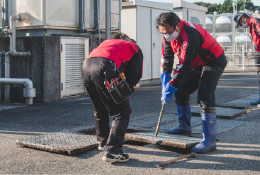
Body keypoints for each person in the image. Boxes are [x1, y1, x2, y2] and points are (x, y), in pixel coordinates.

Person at [157, 12, 227, 154]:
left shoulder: (190, 35)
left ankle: (209, 140)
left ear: (177, 26)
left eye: (168, 32)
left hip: (213, 60)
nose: (166, 35)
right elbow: (167, 58)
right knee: (181, 90)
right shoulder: (167, 35)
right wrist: (165, 80)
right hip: (196, 63)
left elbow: (184, 64)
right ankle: (184, 127)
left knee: (204, 95)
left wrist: (172, 85)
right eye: (162, 32)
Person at [81, 33, 143, 163]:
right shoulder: (134, 47)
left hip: (86, 66)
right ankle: (113, 151)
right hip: (105, 65)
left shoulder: (108, 43)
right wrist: (125, 93)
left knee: (100, 106)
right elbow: (134, 75)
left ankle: (103, 142)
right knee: (122, 112)